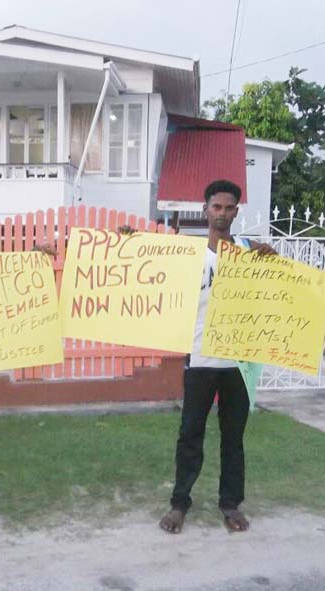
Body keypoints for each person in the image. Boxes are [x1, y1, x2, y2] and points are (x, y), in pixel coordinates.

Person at [159, 180, 276, 535]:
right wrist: (130, 241)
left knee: (233, 437)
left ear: (236, 211)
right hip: (200, 360)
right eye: (216, 207)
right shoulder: (189, 255)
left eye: (229, 207)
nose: (222, 213)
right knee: (190, 434)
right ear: (205, 209)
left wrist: (271, 264)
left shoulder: (250, 254)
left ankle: (230, 505)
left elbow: (277, 296)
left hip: (238, 364)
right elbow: (146, 265)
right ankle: (180, 504)